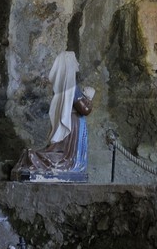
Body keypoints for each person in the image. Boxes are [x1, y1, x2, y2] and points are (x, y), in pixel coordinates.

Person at [11, 51, 95, 181]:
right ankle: (34, 157)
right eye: (75, 61)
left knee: (61, 149)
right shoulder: (71, 87)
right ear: (69, 64)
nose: (77, 64)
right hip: (74, 123)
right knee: (68, 156)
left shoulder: (60, 87)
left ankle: (32, 158)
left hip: (70, 121)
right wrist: (89, 99)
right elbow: (85, 109)